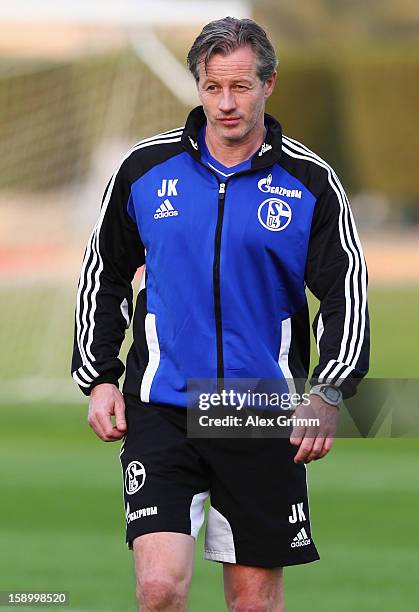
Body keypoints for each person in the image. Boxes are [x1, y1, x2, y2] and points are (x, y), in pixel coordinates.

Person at [72, 16, 369, 612]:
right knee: (158, 590)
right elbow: (102, 274)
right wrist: (101, 375)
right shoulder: (144, 171)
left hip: (257, 409)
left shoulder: (311, 181)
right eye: (213, 88)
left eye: (240, 87)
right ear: (198, 86)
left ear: (269, 84)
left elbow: (345, 294)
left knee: (252, 603)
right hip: (162, 405)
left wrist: (328, 391)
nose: (226, 103)